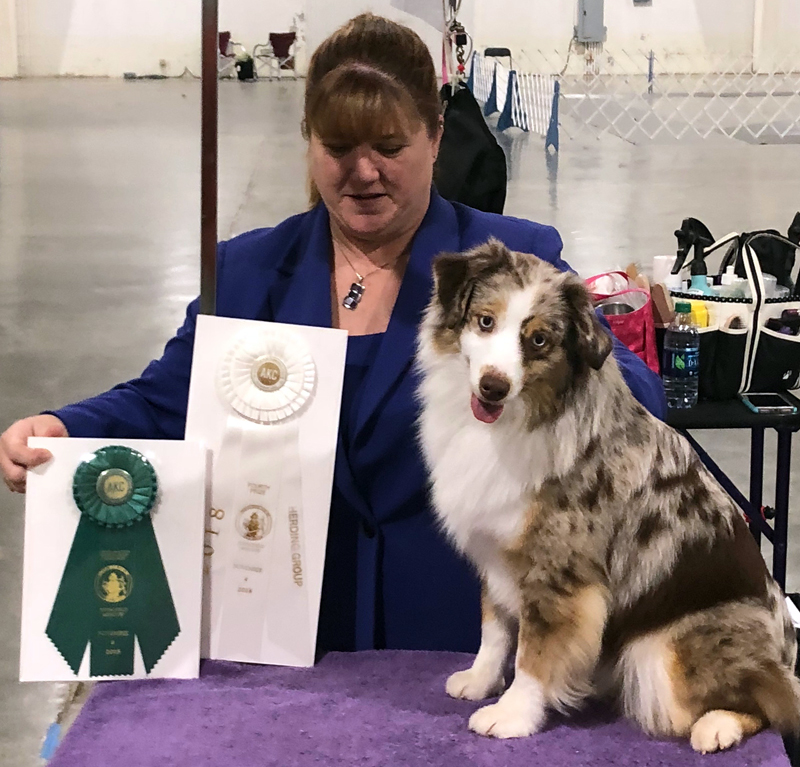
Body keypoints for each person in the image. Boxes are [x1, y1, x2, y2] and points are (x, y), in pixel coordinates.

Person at [0, 13, 665, 654]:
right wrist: (65, 425)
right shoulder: (245, 271)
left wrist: (564, 357)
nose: (364, 171)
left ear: (436, 137)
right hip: (289, 637)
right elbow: (164, 398)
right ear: (309, 141)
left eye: (390, 147)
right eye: (338, 147)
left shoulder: (514, 262)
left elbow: (634, 398)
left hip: (461, 637)